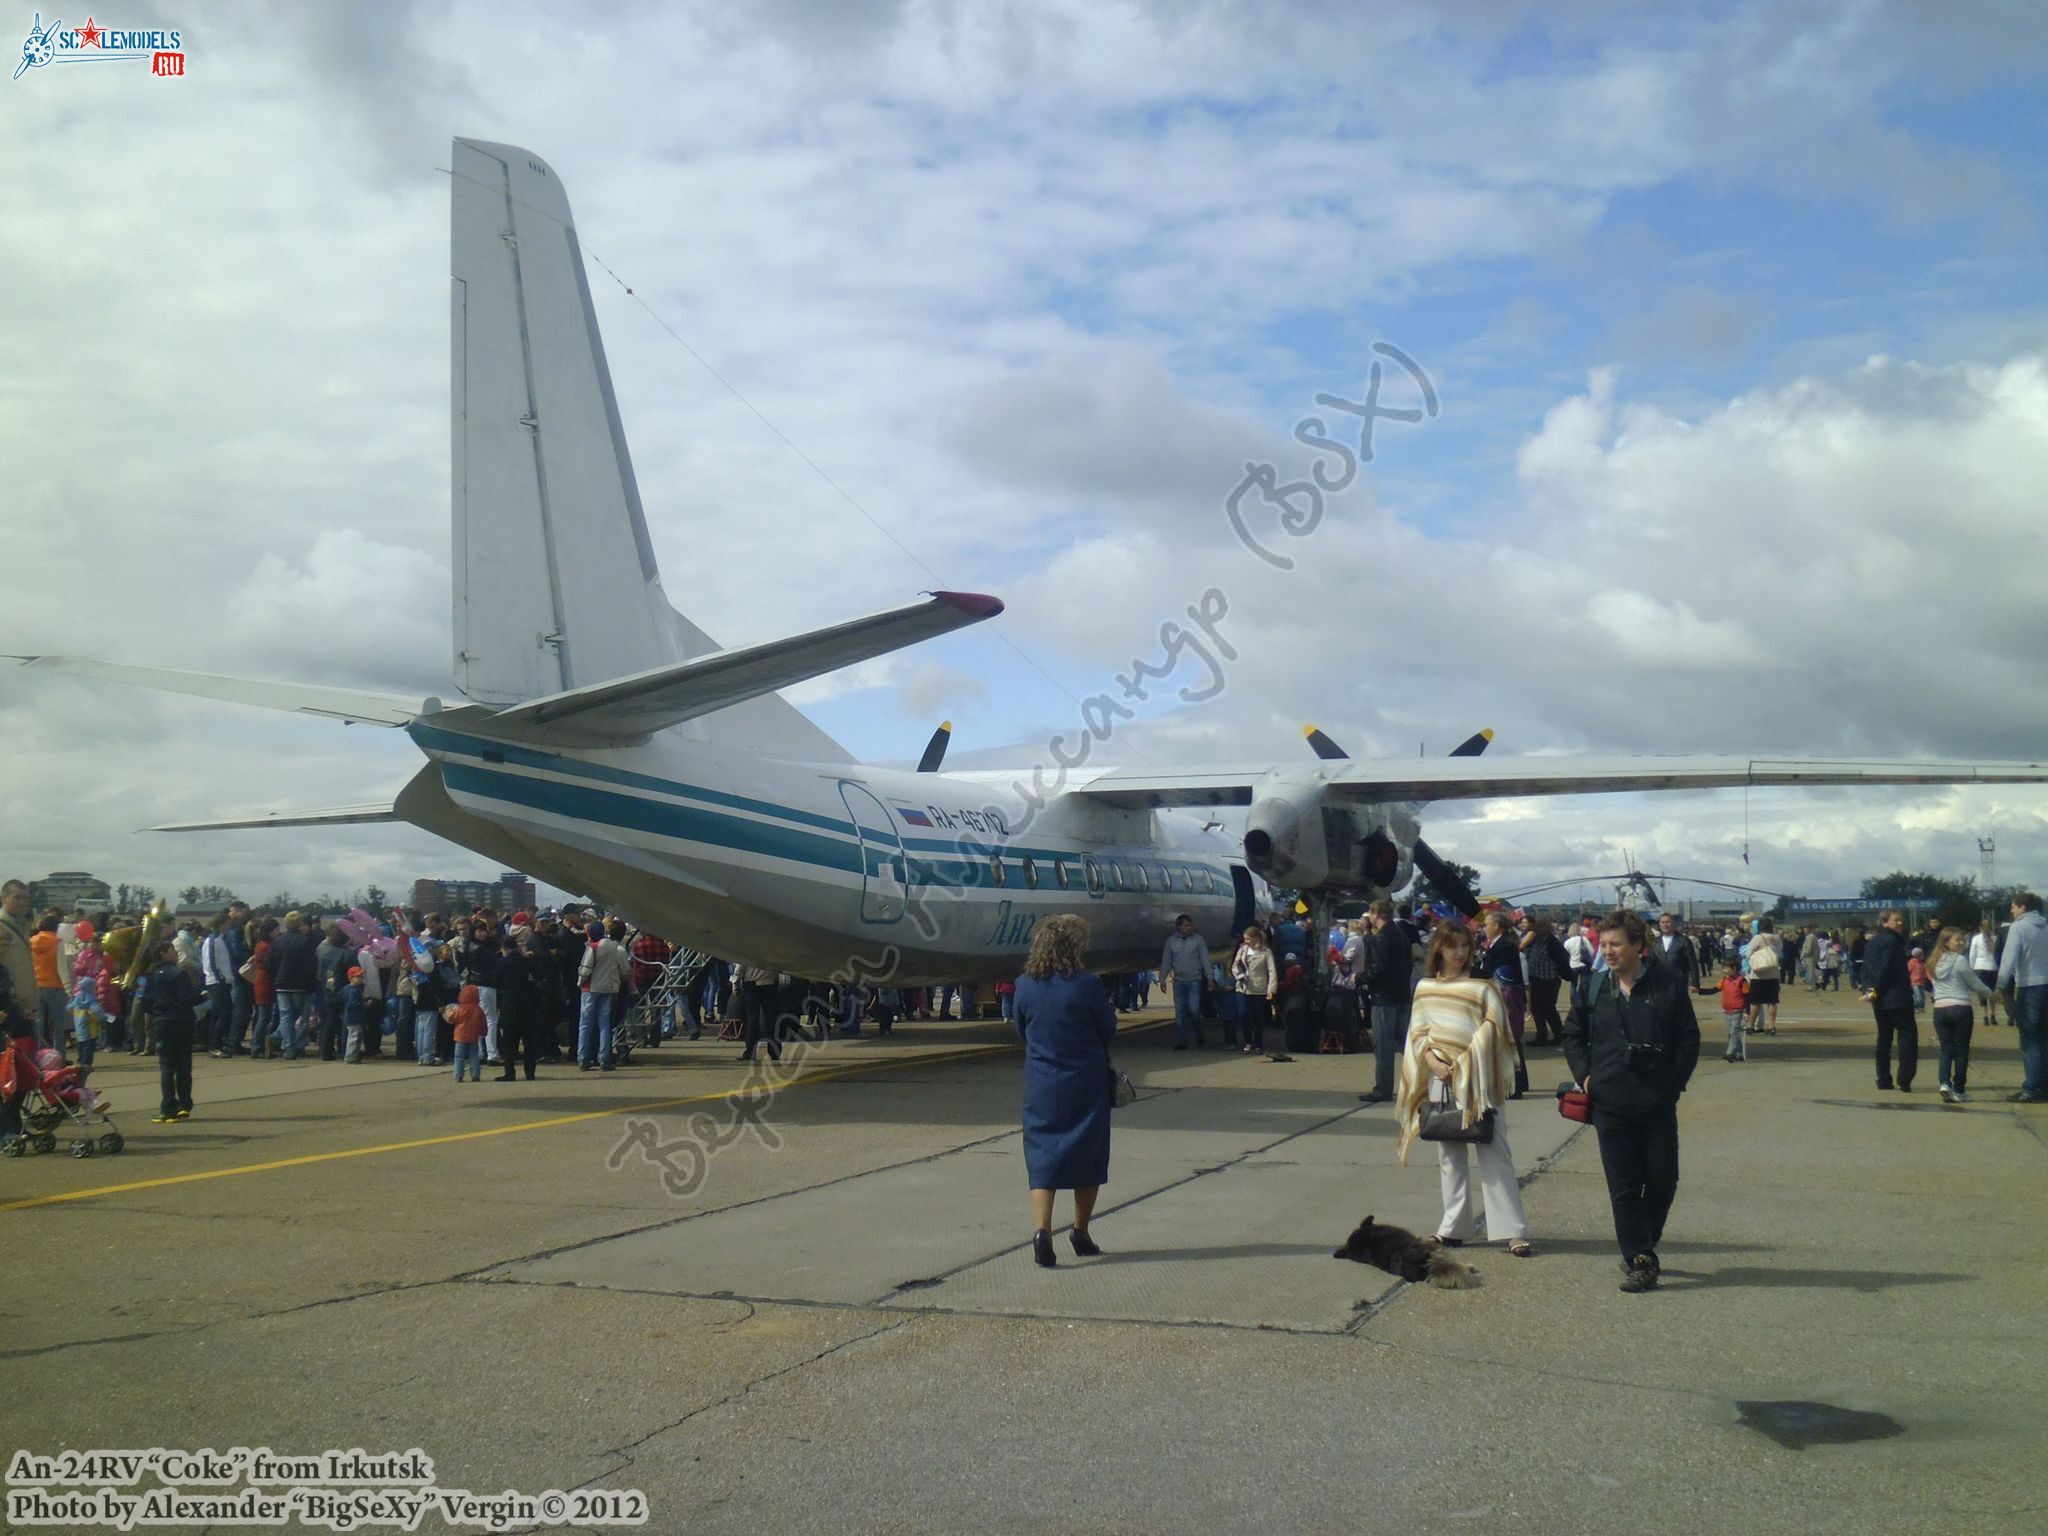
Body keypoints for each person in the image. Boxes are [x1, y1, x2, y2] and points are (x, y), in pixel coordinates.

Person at [1562, 909, 1700, 1293]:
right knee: (1623, 1185)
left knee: (1662, 1181)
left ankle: (1643, 1240)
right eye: (1603, 944)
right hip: (1610, 1102)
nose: (1608, 951)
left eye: (1616, 944)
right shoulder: (1592, 988)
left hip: (1657, 1101)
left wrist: (1674, 1082)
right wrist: (1586, 1076)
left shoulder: (1668, 985)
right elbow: (1572, 1035)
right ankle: (1640, 1256)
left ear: (1639, 946)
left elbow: (1689, 1039)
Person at [1395, 920, 1533, 1257]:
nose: (1459, 953)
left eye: (1465, 946)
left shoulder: (1483, 988)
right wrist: (1434, 1062)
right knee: (1450, 1154)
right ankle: (1452, 1227)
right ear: (1439, 949)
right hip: (1440, 1080)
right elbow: (1417, 1032)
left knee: (1494, 1150)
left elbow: (1496, 1029)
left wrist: (1468, 1061)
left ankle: (1511, 1230)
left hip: (1480, 1082)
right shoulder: (1425, 988)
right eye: (1452, 946)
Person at [1012, 913, 1117, 1267]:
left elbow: (1020, 1028)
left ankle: (1042, 1231)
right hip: (1084, 1080)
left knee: (1042, 1157)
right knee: (1087, 1156)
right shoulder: (1087, 985)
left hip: (1042, 1082)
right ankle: (1080, 1231)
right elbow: (1107, 1028)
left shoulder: (1024, 984)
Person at [1925, 926, 1991, 1104]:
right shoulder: (1959, 961)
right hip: (1960, 1007)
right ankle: (1959, 1088)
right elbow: (1974, 983)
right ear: (1946, 942)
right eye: (1957, 940)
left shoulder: (1933, 961)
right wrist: (1992, 994)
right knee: (1961, 1050)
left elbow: (1929, 985)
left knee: (1946, 1049)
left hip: (1940, 1009)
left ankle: (1945, 1082)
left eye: (1962, 939)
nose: (1962, 943)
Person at [1995, 891, 2048, 1103]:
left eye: (2013, 906)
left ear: (2023, 907)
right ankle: (2044, 1085)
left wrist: (2000, 985)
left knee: (2029, 1039)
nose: (2011, 910)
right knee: (2044, 1038)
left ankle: (2032, 1087)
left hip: (2029, 987)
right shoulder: (2045, 927)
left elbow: (2009, 957)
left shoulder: (2018, 928)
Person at [142, 939, 200, 1124]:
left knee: (167, 1068)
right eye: (171, 950)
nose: (175, 952)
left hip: (162, 1022)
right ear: (163, 953)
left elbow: (145, 1002)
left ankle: (167, 1106)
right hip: (182, 1022)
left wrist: (158, 1013)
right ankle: (184, 1104)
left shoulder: (151, 975)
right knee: (183, 1066)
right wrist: (203, 997)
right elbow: (187, 999)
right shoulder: (180, 973)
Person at [1359, 900, 1410, 1105]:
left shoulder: (1382, 937)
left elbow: (1379, 969)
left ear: (1376, 913)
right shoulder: (1400, 934)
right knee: (1404, 1043)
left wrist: (1361, 978)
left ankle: (1383, 1088)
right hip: (1402, 995)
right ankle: (1419, 1082)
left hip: (1384, 998)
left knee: (1383, 1046)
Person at [1861, 908, 1916, 1092]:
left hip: (1879, 998)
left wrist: (1870, 992)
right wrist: (1877, 990)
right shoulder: (1892, 941)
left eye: (1901, 920)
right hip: (1896, 996)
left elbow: (1866, 970)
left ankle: (1883, 1078)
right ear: (1885, 922)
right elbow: (1888, 969)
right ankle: (1905, 1078)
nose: (1900, 923)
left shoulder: (1872, 942)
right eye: (1896, 920)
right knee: (1907, 1037)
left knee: (1884, 1037)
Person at [576, 920, 629, 1070]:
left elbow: (585, 969)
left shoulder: (592, 947)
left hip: (591, 988)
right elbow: (624, 969)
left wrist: (580, 982)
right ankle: (605, 1058)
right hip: (609, 988)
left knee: (585, 1024)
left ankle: (583, 1058)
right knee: (605, 1024)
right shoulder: (615, 947)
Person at [1159, 914, 1209, 1051]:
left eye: (1190, 925)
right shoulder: (1171, 941)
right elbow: (1167, 960)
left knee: (1194, 1010)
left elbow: (1204, 958)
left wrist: (1209, 977)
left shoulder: (1198, 940)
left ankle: (1199, 1033)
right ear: (1179, 927)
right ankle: (1182, 1041)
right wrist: (1162, 978)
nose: (1189, 928)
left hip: (1194, 979)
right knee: (1180, 1012)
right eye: (1186, 925)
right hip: (1178, 980)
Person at [1520, 915, 1570, 1046]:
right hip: (1536, 979)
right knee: (1537, 1009)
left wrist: (1564, 974)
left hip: (1549, 981)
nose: (1536, 929)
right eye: (1536, 927)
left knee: (1549, 1009)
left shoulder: (1552, 942)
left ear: (1547, 928)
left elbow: (1563, 958)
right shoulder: (1536, 940)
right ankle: (1541, 1037)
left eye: (1539, 927)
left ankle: (1559, 1035)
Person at [1479, 910, 1526, 1047]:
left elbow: (1502, 974)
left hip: (1505, 995)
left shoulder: (1504, 945)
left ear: (1496, 926)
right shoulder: (1498, 943)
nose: (1484, 928)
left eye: (1486, 925)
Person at [1229, 925, 1276, 1055]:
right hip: (1243, 988)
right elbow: (1235, 965)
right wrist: (1238, 975)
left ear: (1255, 938)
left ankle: (1258, 1044)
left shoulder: (1266, 952)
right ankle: (1248, 1042)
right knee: (1243, 1014)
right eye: (1245, 939)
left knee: (1258, 1017)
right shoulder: (1242, 950)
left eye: (1248, 939)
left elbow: (1272, 971)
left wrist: (1271, 989)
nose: (1246, 941)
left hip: (1259, 988)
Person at [1743, 919, 1783, 1036]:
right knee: (1772, 1001)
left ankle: (1750, 1026)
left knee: (1755, 1002)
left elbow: (1747, 953)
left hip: (1758, 974)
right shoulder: (1777, 938)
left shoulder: (1758, 938)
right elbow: (1780, 954)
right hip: (1774, 973)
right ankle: (1771, 1026)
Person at [443, 983, 487, 1082]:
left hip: (460, 1036)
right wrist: (484, 1032)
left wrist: (449, 1011)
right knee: (474, 1056)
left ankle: (458, 1075)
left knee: (459, 1057)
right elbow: (483, 1022)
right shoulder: (478, 1009)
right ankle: (475, 1075)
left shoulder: (460, 1009)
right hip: (473, 1036)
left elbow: (452, 1018)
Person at [1654, 913, 1702, 996]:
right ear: (1659, 924)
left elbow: (1692, 962)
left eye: (1668, 922)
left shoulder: (1683, 941)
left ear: (1673, 924)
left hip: (1679, 983)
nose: (1665, 925)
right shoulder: (1655, 943)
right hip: (1659, 984)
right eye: (1663, 922)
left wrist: (1694, 982)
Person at [1969, 919, 2001, 1028]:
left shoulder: (1976, 938)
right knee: (1992, 991)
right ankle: (1993, 1015)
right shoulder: (1994, 938)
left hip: (1980, 966)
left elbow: (1972, 954)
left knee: (1982, 992)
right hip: (1992, 967)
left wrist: (1971, 967)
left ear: (1980, 928)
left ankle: (1985, 1015)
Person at [1717, 961, 1749, 1062]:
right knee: (1730, 1034)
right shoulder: (1724, 980)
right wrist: (1700, 990)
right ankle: (1739, 1053)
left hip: (1737, 1011)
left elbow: (1747, 997)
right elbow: (1714, 989)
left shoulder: (1742, 981)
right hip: (1727, 1011)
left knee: (1734, 1032)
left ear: (1734, 968)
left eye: (1726, 968)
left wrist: (1747, 1011)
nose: (1724, 971)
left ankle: (1730, 1052)